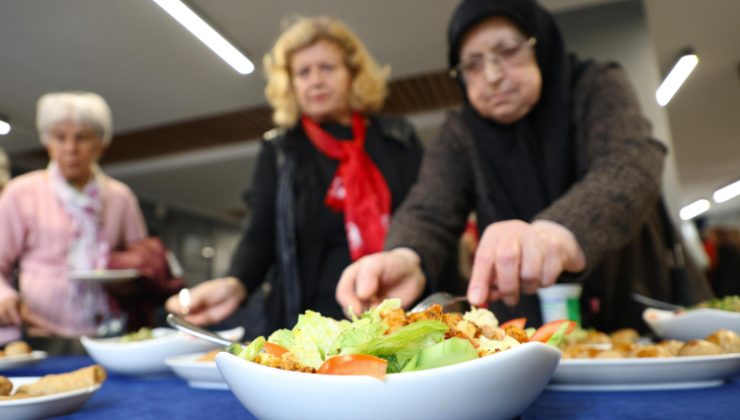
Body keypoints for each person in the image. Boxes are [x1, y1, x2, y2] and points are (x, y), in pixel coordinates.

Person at [336, 0, 713, 333]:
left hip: (635, 303)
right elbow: (429, 207)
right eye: (473, 64)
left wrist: (557, 232)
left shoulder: (595, 85)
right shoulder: (461, 131)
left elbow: (632, 162)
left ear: (540, 46)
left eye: (508, 51)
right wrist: (405, 255)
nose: (493, 75)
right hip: (526, 328)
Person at [165, 16, 424, 335]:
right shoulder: (279, 149)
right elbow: (260, 231)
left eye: (327, 68)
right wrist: (237, 281)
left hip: (395, 310)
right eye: (303, 72)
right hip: (309, 320)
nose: (315, 80)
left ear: (353, 74)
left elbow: (424, 218)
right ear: (291, 83)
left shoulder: (396, 138)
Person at [0, 92, 148, 345]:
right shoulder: (21, 192)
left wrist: (129, 281)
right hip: (40, 332)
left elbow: (143, 258)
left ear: (101, 144)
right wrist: (4, 296)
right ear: (48, 142)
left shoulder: (120, 197)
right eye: (60, 137)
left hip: (109, 330)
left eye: (82, 137)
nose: (70, 148)